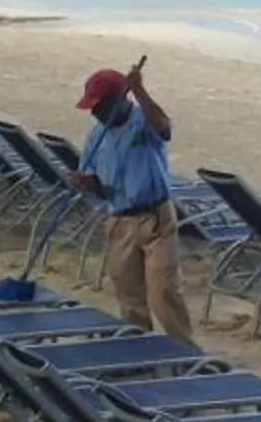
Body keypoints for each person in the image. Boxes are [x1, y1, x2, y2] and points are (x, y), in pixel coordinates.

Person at [69, 56, 195, 343]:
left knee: (163, 293)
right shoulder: (96, 136)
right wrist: (87, 184)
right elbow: (99, 186)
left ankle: (185, 352)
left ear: (119, 100)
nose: (95, 113)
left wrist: (139, 89)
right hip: (120, 221)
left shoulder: (143, 120)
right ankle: (139, 349)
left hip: (155, 220)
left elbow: (164, 129)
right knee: (129, 297)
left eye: (100, 106)